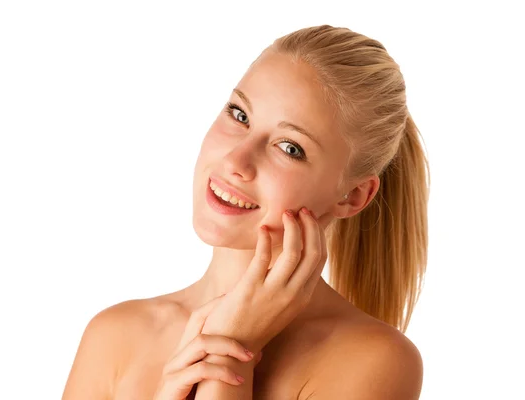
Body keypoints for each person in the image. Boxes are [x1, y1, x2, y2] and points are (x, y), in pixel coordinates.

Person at [62, 24, 430, 400]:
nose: (236, 160)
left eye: (289, 148)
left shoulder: (374, 362)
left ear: (351, 196)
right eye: (239, 115)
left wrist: (230, 348)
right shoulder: (113, 338)